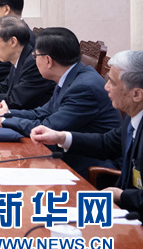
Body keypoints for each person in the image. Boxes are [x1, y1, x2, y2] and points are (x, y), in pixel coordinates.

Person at [0, 27, 120, 176]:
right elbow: (42, 112)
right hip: (67, 155)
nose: (34, 59)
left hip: (89, 166)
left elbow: (48, 127)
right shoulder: (71, 76)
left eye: (35, 55)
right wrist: (6, 113)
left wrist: (4, 121)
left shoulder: (83, 87)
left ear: (48, 60)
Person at [31, 51, 143, 214]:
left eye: (112, 82)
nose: (106, 87)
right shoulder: (134, 115)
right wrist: (61, 137)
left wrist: (122, 196)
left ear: (137, 94)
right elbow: (108, 143)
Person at [0, 16, 54, 110]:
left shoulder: (33, 63)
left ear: (13, 41)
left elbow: (15, 101)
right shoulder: (18, 58)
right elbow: (3, 88)